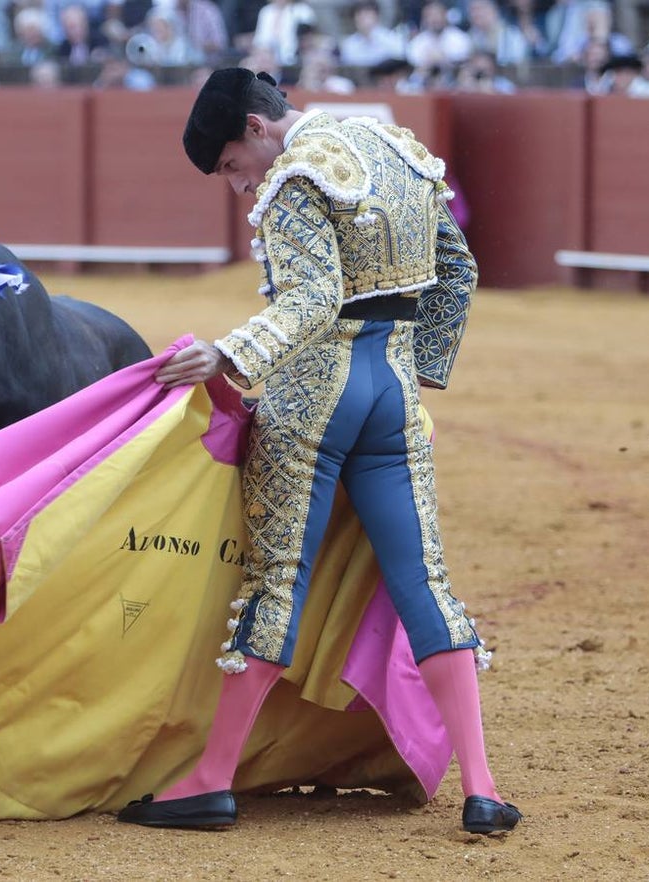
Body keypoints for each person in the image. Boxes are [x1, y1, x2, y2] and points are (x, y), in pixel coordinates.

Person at [116, 67, 521, 835]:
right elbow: (458, 269)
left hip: (314, 396)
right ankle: (483, 788)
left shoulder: (297, 175)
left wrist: (226, 356)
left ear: (259, 130)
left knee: (276, 583)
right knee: (426, 581)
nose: (241, 187)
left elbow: (311, 300)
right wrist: (420, 367)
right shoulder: (396, 149)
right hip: (393, 393)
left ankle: (210, 780)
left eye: (235, 167)